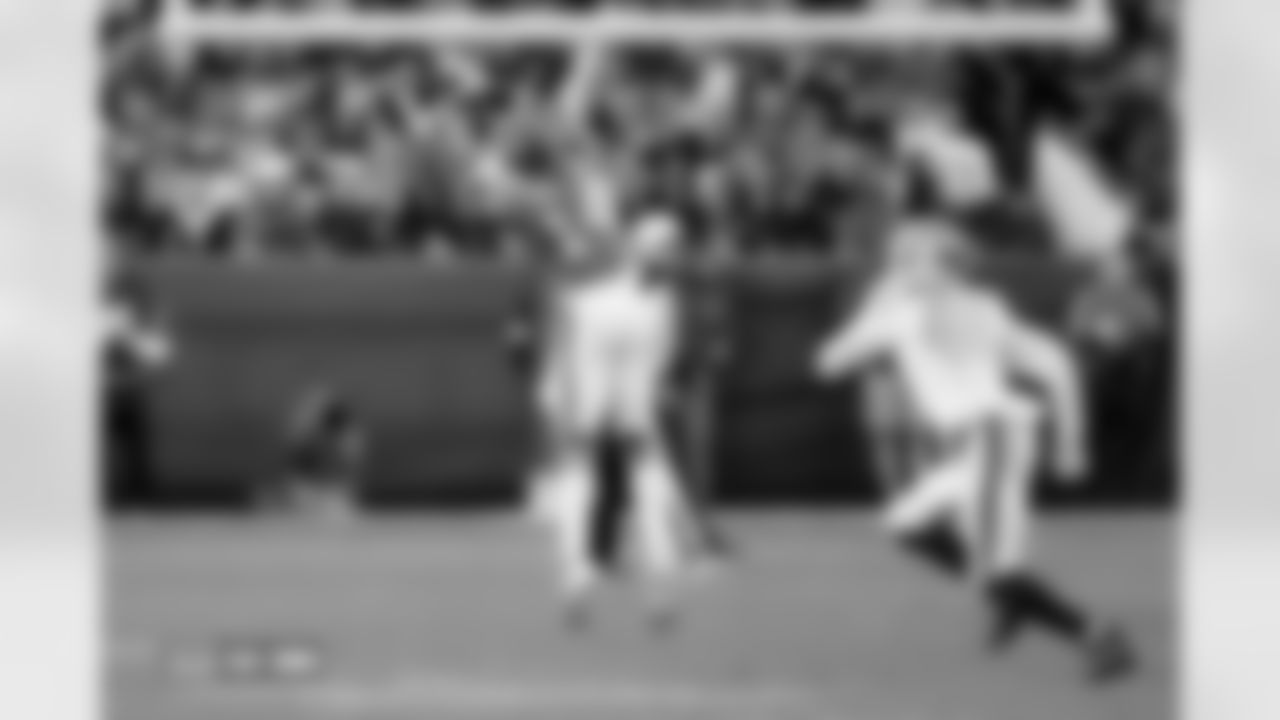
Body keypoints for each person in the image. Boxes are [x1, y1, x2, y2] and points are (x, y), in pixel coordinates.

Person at [812, 217, 1137, 684]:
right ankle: (1007, 600)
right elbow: (1057, 365)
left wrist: (877, 301)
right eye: (899, 259)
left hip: (990, 438)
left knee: (998, 571)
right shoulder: (981, 307)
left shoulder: (907, 311)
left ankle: (1096, 634)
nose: (899, 266)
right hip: (982, 442)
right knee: (904, 524)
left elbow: (827, 364)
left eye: (910, 258)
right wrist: (1070, 442)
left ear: (945, 266)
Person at [529, 210, 692, 632]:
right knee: (592, 486)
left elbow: (652, 366)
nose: (676, 258)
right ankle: (583, 586)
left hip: (617, 403)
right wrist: (571, 409)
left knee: (646, 490)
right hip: (596, 402)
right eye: (669, 249)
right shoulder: (600, 301)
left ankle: (650, 588)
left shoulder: (656, 302)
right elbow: (569, 360)